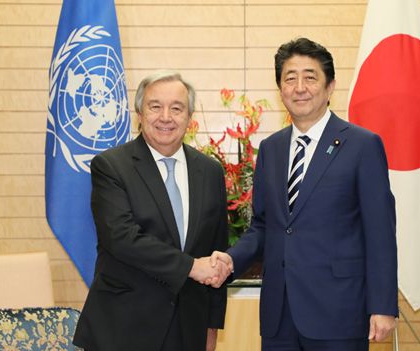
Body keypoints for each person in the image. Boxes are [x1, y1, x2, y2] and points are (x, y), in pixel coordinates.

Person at [210, 38, 398, 350]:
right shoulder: (271, 149)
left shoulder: (363, 146)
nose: (300, 87)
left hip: (339, 312)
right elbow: (263, 226)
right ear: (280, 87)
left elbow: (380, 232)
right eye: (290, 78)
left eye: (310, 77)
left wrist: (383, 306)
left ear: (330, 86)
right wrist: (230, 261)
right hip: (279, 314)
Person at [73, 71, 229, 351]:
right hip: (124, 329)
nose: (166, 117)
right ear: (140, 114)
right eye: (155, 106)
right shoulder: (110, 166)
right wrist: (192, 267)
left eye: (177, 108)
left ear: (189, 117)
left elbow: (216, 250)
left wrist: (211, 328)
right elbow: (121, 237)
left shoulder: (210, 171)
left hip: (188, 330)